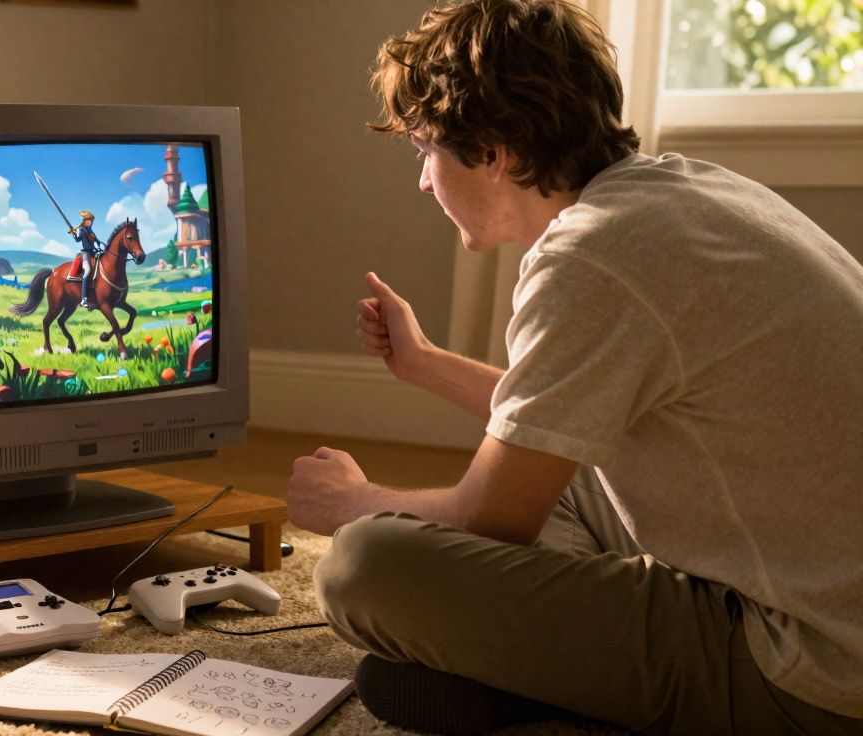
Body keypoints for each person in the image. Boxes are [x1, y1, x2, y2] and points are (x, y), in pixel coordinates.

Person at [285, 1, 863, 734]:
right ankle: (560, 669)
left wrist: (350, 501)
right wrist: (426, 365)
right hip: (825, 595)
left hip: (812, 668)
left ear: (493, 151)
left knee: (362, 564)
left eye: (425, 150)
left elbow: (491, 519)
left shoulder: (592, 255)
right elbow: (571, 419)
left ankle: (553, 685)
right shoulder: (687, 193)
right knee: (560, 477)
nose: (424, 182)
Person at [71, 209, 103, 308]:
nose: (89, 222)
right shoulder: (82, 230)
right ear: (84, 221)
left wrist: (102, 245)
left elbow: (97, 241)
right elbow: (77, 240)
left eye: (91, 221)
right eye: (88, 220)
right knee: (88, 271)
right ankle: (84, 298)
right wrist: (73, 233)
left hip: (94, 253)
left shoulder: (91, 231)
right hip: (85, 253)